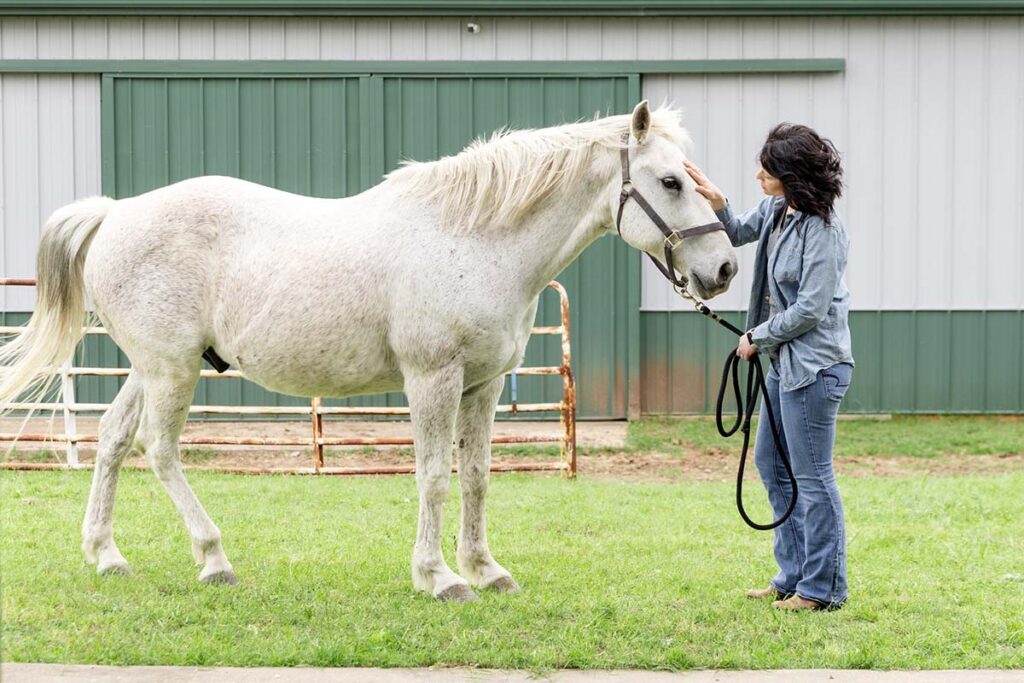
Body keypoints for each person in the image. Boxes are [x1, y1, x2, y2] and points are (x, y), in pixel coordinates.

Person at [684, 123, 855, 611]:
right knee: (771, 465)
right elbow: (737, 233)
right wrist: (718, 203)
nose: (759, 173)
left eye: (768, 167)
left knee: (814, 475)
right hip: (784, 363)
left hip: (815, 368)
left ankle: (823, 590)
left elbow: (811, 309)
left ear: (791, 173)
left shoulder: (823, 231)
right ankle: (794, 576)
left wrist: (756, 337)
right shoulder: (778, 211)